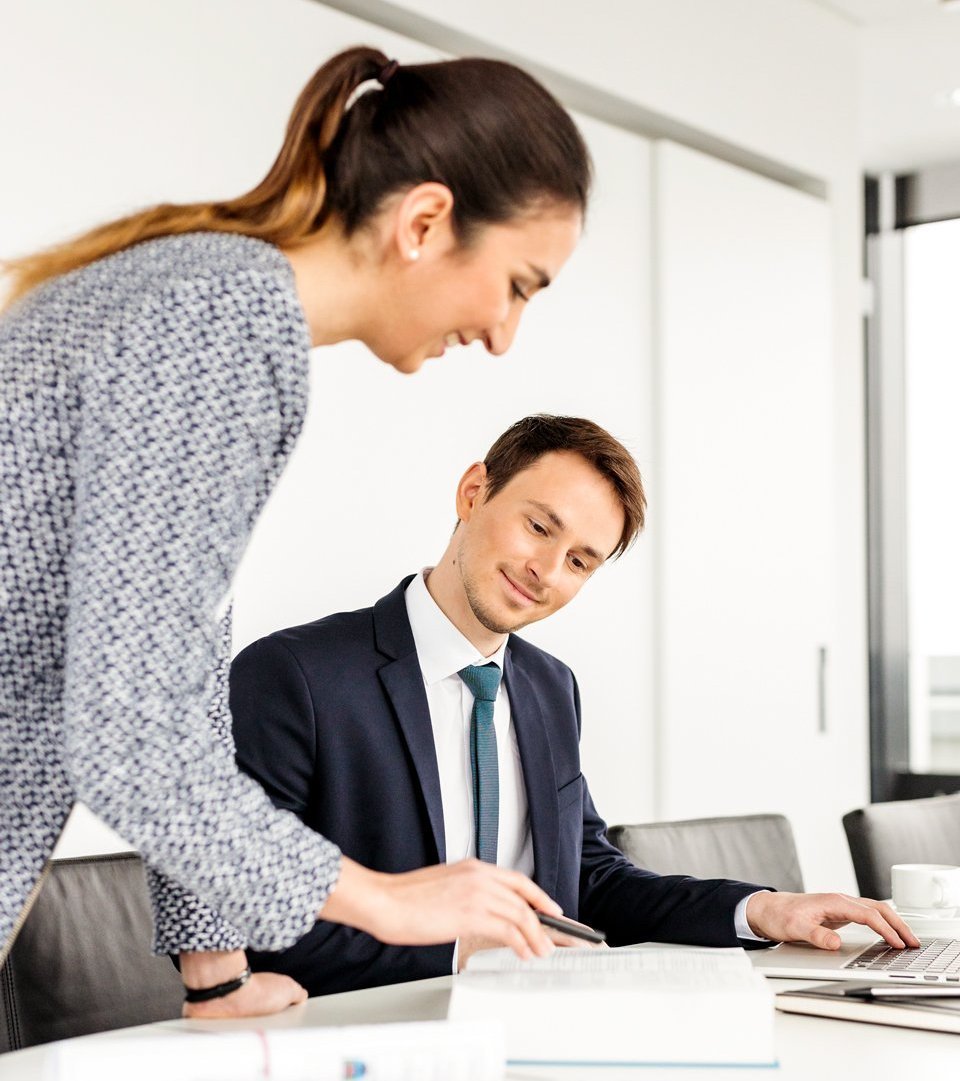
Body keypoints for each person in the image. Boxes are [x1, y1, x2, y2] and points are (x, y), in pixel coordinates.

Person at [0, 47, 591, 1015]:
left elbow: (175, 687)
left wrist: (217, 974)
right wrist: (384, 900)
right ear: (426, 221)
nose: (503, 333)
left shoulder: (210, 300)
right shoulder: (217, 328)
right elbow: (130, 733)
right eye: (519, 282)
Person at [223, 414, 920, 997]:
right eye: (538, 527)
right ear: (473, 492)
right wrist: (462, 948)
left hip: (541, 1022)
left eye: (581, 560)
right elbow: (248, 915)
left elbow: (590, 876)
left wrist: (763, 908)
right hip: (364, 1033)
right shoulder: (294, 675)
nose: (547, 571)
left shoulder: (550, 687)